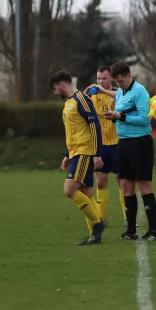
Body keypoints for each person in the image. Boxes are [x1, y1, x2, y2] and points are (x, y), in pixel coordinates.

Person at [102, 61, 156, 241]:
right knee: (126, 185)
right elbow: (121, 116)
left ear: (129, 76)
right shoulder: (120, 92)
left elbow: (144, 118)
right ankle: (131, 230)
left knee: (143, 185)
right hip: (123, 143)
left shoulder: (140, 91)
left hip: (140, 143)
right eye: (116, 82)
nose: (119, 85)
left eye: (121, 81)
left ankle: (152, 231)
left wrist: (120, 116)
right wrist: (113, 118)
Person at [49, 70, 105, 246]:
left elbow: (94, 126)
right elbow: (72, 132)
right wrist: (67, 155)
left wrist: (96, 152)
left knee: (69, 189)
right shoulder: (68, 103)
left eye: (55, 89)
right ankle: (94, 236)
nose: (55, 92)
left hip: (84, 152)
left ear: (62, 85)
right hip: (74, 154)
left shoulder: (82, 99)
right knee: (86, 193)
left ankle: (97, 224)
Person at [84, 66, 126, 226]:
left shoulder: (118, 94)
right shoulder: (91, 97)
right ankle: (101, 219)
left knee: (122, 181)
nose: (100, 82)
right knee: (101, 181)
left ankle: (127, 216)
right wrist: (86, 93)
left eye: (104, 78)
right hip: (100, 146)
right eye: (98, 78)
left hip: (118, 144)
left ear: (111, 79)